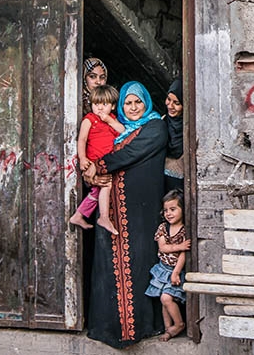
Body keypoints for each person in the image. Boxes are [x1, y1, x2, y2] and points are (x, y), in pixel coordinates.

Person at [85, 81, 171, 348]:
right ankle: (109, 327)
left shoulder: (155, 127)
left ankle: (142, 327)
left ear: (146, 103)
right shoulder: (116, 130)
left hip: (140, 211)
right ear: (120, 107)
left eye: (138, 102)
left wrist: (98, 165)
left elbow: (129, 153)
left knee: (139, 261)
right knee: (108, 267)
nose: (133, 108)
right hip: (111, 209)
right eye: (127, 103)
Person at [68, 84, 124, 235]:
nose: (99, 108)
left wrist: (111, 121)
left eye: (104, 104)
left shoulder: (113, 120)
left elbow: (124, 133)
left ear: (112, 106)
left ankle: (79, 215)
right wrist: (82, 158)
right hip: (94, 162)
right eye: (96, 104)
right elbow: (82, 140)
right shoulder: (90, 119)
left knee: (97, 190)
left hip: (107, 163)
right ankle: (104, 217)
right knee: (105, 186)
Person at [145, 189, 188, 342]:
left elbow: (184, 255)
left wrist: (176, 273)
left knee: (166, 298)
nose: (169, 213)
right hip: (162, 269)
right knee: (164, 301)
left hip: (174, 270)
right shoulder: (163, 228)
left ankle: (179, 324)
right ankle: (168, 329)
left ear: (183, 209)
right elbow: (163, 247)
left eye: (173, 209)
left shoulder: (184, 230)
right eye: (166, 210)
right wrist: (180, 246)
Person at [163, 79, 184, 193]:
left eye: (176, 103)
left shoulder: (190, 129)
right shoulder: (162, 122)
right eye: (168, 99)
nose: (170, 106)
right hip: (162, 183)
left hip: (182, 186)